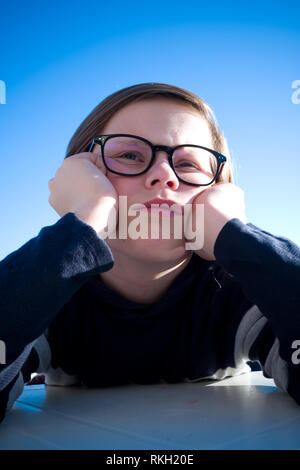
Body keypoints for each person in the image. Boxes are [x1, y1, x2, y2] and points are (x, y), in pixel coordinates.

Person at [0, 82, 300, 424]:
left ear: (220, 190)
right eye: (129, 155)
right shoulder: (44, 287)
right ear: (81, 177)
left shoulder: (245, 290)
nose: (163, 175)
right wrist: (85, 219)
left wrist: (237, 237)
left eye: (187, 163)